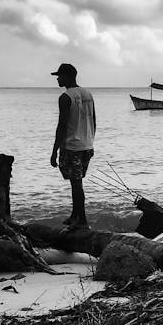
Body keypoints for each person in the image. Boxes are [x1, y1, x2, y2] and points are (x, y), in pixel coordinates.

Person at [50, 63, 96, 229]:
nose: (57, 79)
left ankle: (82, 220)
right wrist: (90, 140)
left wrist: (54, 151)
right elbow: (94, 120)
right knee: (76, 181)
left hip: (72, 147)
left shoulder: (65, 97)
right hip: (87, 145)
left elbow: (61, 126)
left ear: (68, 76)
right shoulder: (88, 94)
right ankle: (75, 215)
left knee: (76, 183)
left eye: (59, 76)